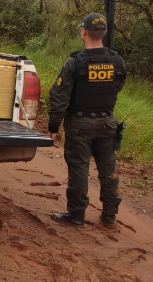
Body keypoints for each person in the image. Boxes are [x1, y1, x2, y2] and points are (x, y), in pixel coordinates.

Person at [48, 13, 126, 229]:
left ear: (83, 32)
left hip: (80, 124)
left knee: (79, 169)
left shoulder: (75, 63)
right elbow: (118, 85)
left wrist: (53, 127)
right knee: (108, 169)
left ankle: (76, 216)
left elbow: (60, 97)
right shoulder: (117, 60)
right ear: (105, 33)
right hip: (107, 122)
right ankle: (110, 215)